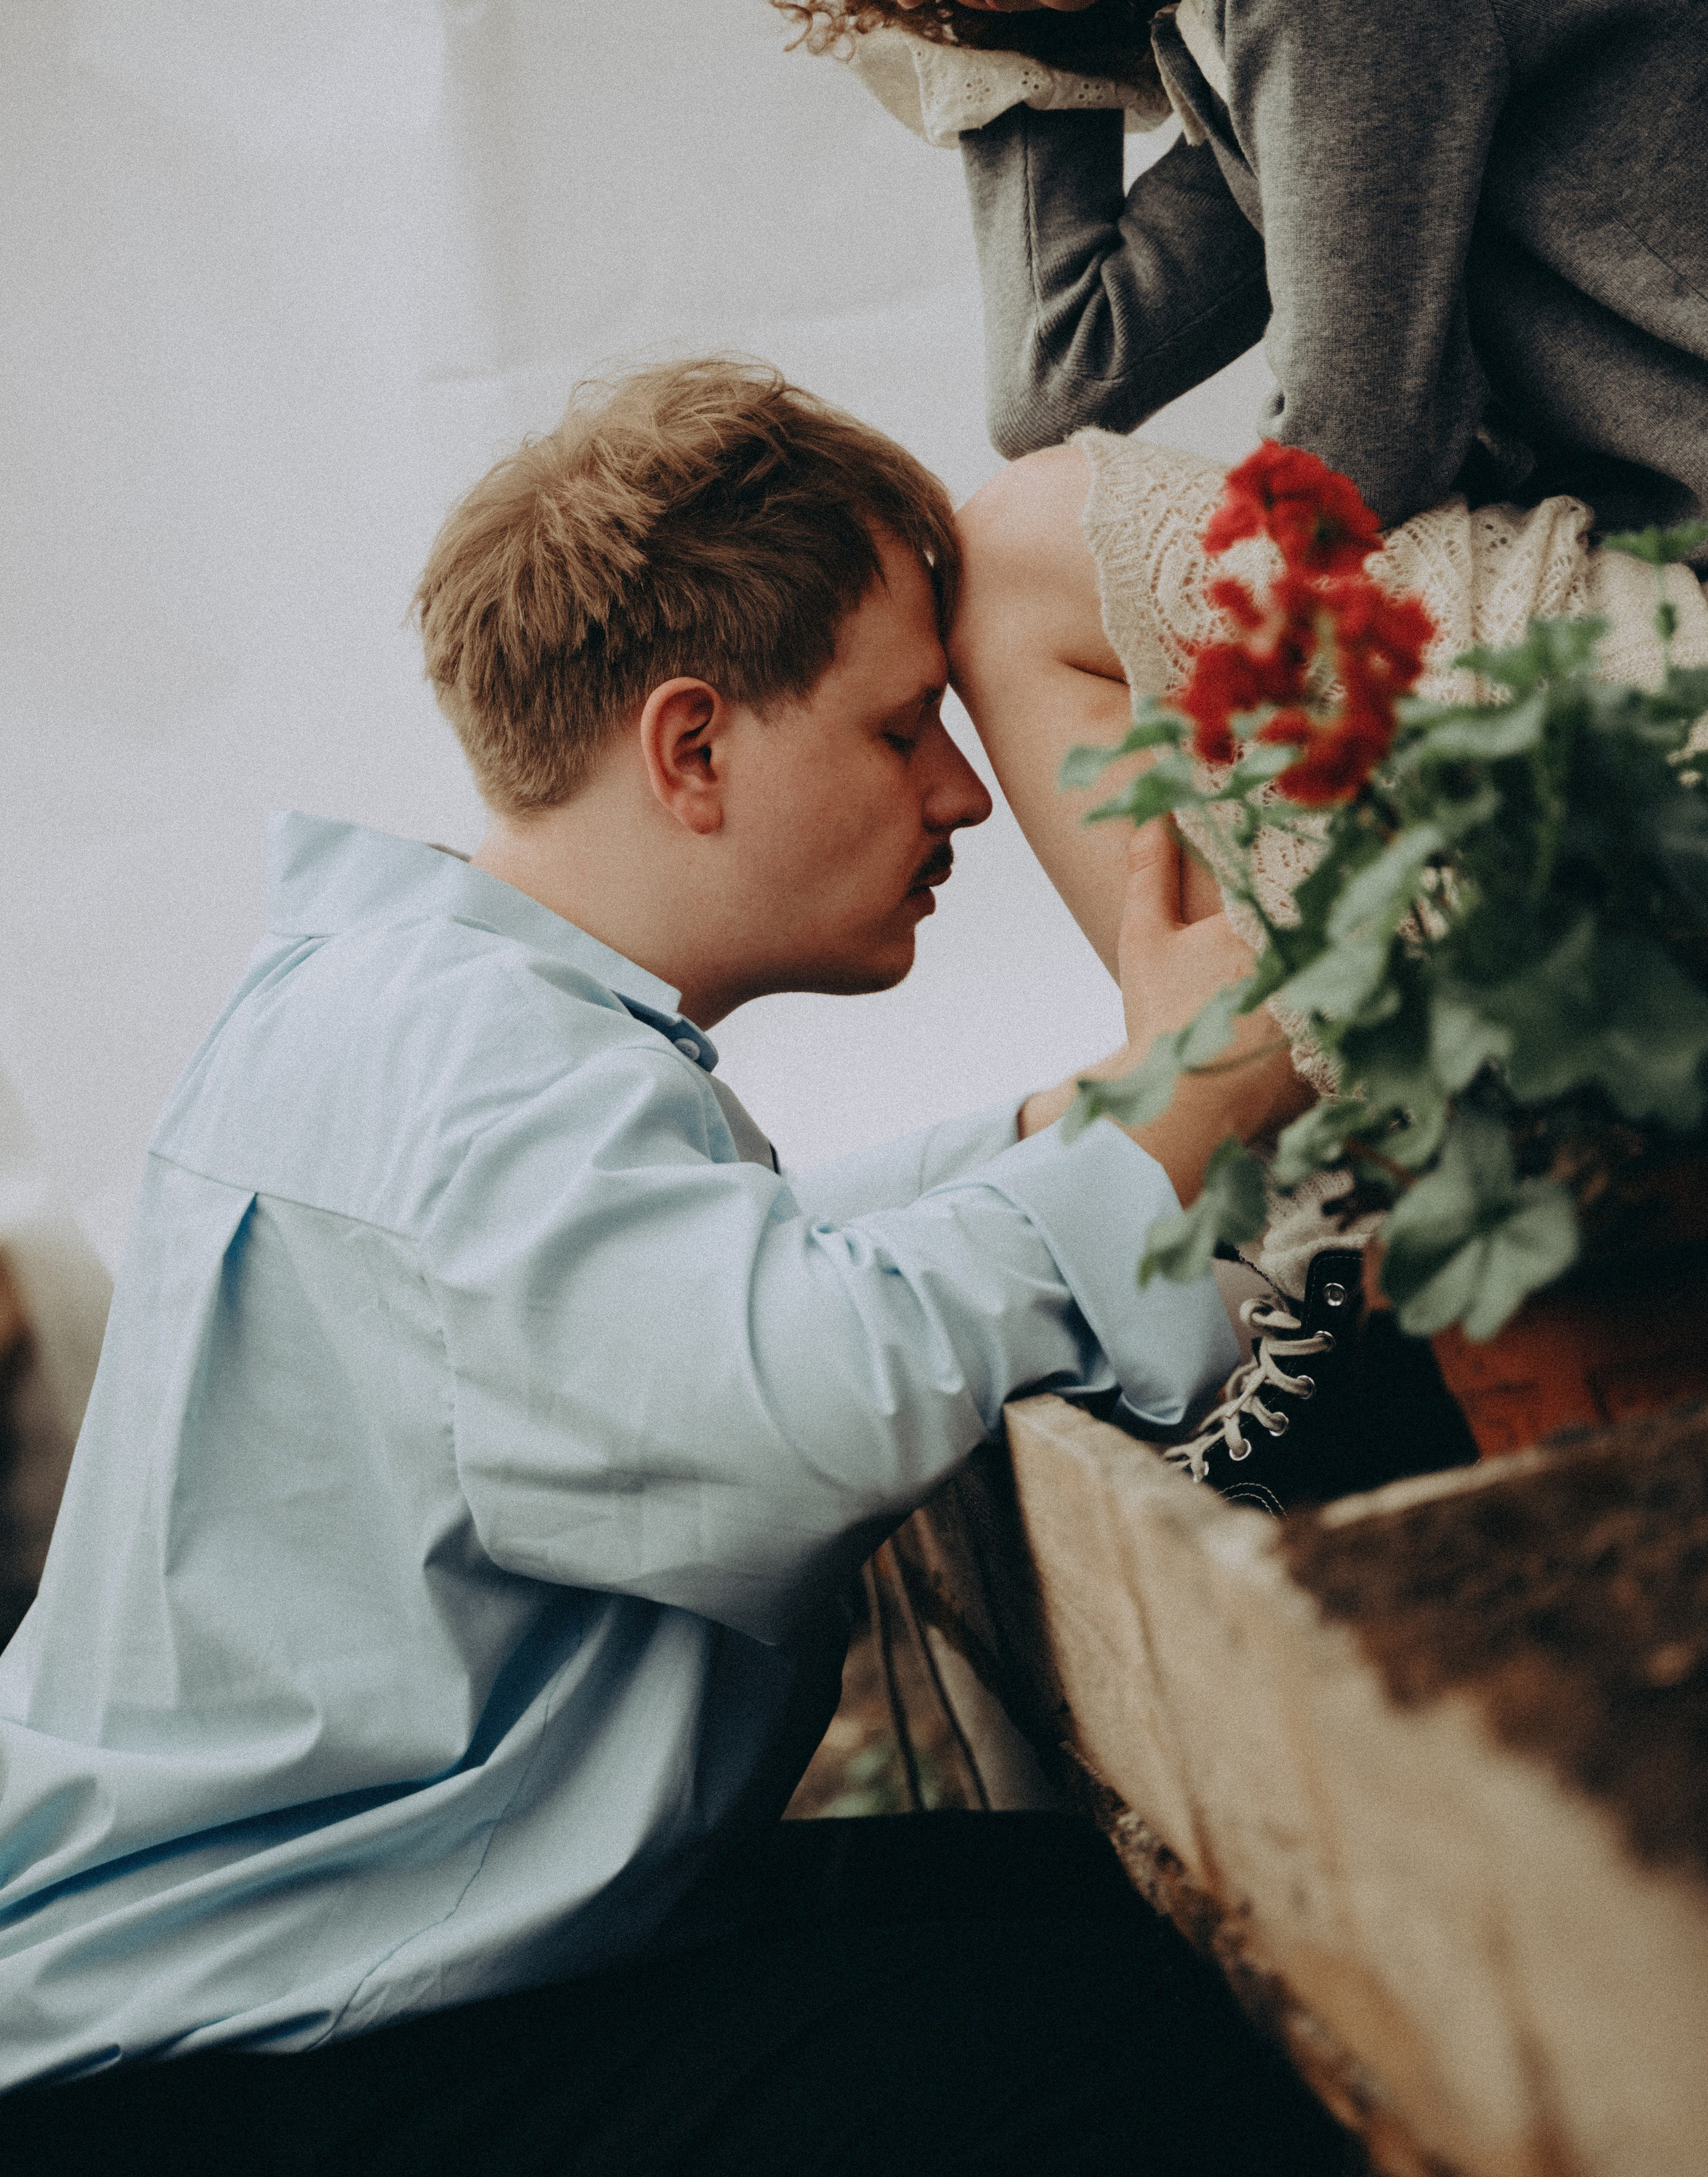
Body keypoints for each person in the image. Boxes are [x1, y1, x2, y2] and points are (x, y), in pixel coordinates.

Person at [0, 359, 1344, 2174]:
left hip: (262, 1995)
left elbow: (733, 1279)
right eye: (898, 728)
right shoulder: (476, 1066)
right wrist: (1163, 1121)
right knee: (1137, 2050)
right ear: (692, 745)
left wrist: (1083, 1118)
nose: (960, 795)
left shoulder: (415, 1009)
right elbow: (790, 1403)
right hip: (243, 2072)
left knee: (1088, 1902)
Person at [799, 0, 1708, 551]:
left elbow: (1355, 465)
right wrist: (1007, 47)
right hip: (1647, 535)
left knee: (1022, 570)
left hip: (1676, 546)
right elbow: (1062, 376)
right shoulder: (1242, 42)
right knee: (1021, 543)